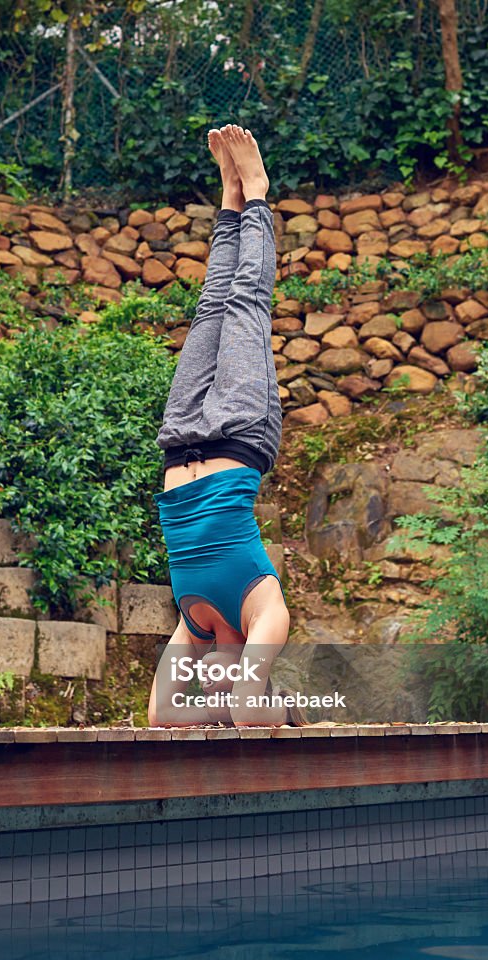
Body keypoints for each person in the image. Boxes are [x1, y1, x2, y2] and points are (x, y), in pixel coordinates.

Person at [147, 123, 298, 729]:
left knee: (213, 305)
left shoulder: (196, 622)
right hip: (239, 432)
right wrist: (283, 713)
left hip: (179, 441)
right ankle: (257, 191)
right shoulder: (266, 612)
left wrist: (212, 701)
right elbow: (244, 709)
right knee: (246, 304)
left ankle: (230, 204)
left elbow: (160, 716)